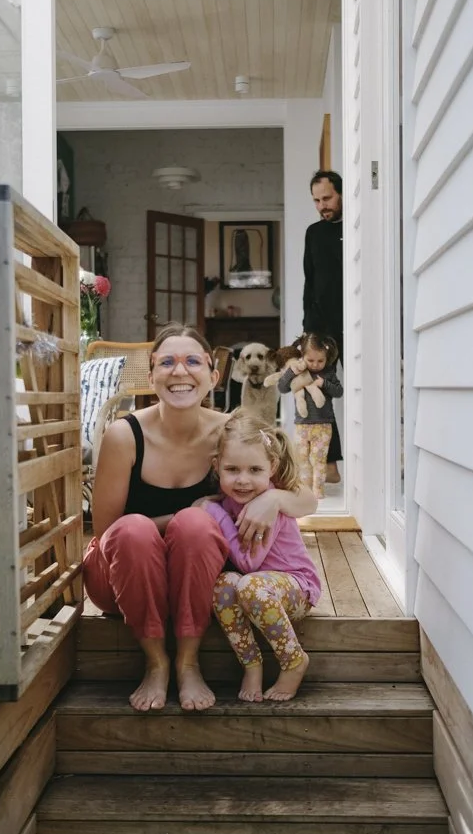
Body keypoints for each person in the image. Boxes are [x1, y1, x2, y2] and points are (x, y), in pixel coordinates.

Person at [82, 323, 317, 714]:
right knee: (146, 527)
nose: (180, 372)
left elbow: (307, 501)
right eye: (167, 362)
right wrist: (184, 516)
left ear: (213, 374)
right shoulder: (124, 436)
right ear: (152, 373)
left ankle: (187, 661)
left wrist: (273, 497)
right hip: (125, 575)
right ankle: (155, 661)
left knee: (196, 527)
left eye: (193, 361)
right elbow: (107, 535)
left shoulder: (231, 433)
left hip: (194, 582)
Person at [199, 409, 321, 703]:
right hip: (257, 589)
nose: (243, 480)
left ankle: (293, 661)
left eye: (255, 470)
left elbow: (248, 562)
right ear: (217, 467)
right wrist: (217, 504)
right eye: (232, 470)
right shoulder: (229, 502)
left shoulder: (269, 509)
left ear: (272, 467)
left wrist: (212, 511)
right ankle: (251, 664)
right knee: (224, 584)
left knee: (247, 582)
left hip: (295, 587)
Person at [303, 170, 344, 483]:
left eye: (327, 198)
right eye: (317, 200)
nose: (321, 206)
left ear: (341, 193)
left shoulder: (357, 227)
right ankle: (330, 465)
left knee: (359, 390)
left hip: (354, 324)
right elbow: (310, 282)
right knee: (318, 396)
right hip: (321, 329)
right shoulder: (313, 233)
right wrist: (309, 332)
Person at [277, 333, 343, 501]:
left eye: (320, 361)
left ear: (326, 358)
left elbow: (339, 391)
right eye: (310, 360)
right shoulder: (298, 372)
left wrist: (324, 384)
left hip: (323, 426)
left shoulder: (327, 373)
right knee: (302, 460)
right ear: (302, 356)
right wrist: (291, 371)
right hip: (302, 425)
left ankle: (318, 492)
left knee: (318, 460)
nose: (315, 365)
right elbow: (282, 388)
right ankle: (306, 492)